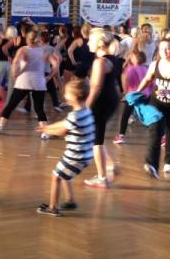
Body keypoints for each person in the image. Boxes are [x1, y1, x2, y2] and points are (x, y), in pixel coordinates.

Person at [36, 79, 95, 217]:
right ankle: (70, 201)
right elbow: (64, 123)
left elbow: (62, 131)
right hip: (85, 154)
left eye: (67, 93)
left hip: (76, 156)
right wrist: (47, 127)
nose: (64, 95)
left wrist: (47, 131)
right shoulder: (86, 111)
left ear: (74, 96)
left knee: (56, 176)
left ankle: (53, 208)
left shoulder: (75, 117)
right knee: (65, 176)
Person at [0, 30, 60, 136]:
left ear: (27, 39)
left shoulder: (23, 49)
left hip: (24, 81)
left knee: (11, 105)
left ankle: (0, 126)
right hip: (39, 82)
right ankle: (45, 132)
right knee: (39, 108)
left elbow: (15, 62)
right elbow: (56, 64)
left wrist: (15, 73)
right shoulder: (45, 50)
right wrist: (49, 76)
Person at [83, 28, 121, 188]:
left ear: (99, 43)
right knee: (95, 137)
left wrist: (85, 108)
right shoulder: (112, 59)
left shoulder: (100, 62)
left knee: (96, 141)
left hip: (101, 102)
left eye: (90, 41)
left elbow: (96, 87)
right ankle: (110, 165)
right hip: (110, 100)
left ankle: (102, 178)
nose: (88, 43)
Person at [136, 39, 170, 178]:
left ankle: (168, 162)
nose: (166, 51)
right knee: (155, 130)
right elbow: (147, 79)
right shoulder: (155, 64)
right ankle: (151, 164)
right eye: (163, 49)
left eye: (168, 48)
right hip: (156, 103)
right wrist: (136, 92)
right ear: (158, 50)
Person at [114, 51, 151, 144]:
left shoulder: (130, 69)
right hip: (145, 95)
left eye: (132, 57)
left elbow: (126, 80)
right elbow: (151, 82)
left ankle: (121, 136)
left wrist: (125, 92)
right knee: (149, 115)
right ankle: (162, 136)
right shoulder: (146, 68)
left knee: (125, 115)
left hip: (133, 95)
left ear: (135, 59)